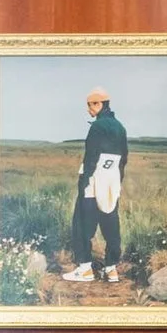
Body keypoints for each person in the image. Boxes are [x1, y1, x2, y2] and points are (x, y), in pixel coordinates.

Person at [63, 87, 125, 283]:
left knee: (82, 222)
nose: (88, 110)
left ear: (99, 104)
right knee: (110, 222)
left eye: (90, 105)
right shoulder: (120, 127)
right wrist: (117, 182)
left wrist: (84, 181)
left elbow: (91, 157)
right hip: (112, 180)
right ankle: (111, 269)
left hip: (94, 179)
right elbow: (124, 159)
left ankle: (85, 269)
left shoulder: (97, 127)